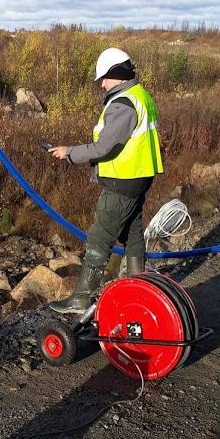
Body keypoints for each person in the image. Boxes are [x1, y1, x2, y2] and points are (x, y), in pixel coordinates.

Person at [47, 47, 163, 314]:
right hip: (139, 177)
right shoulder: (140, 95)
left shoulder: (123, 103)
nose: (101, 84)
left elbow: (104, 148)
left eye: (104, 78)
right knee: (132, 235)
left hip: (121, 181)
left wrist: (70, 152)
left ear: (116, 75)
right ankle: (138, 290)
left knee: (99, 239)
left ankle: (81, 300)